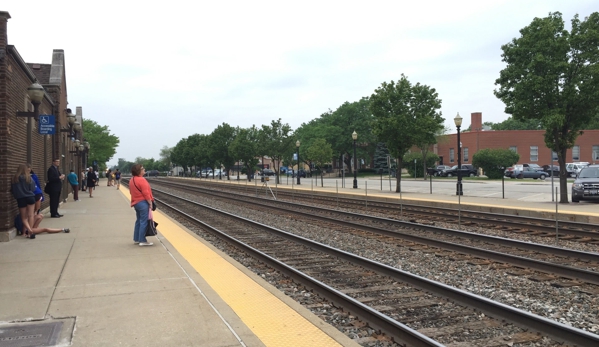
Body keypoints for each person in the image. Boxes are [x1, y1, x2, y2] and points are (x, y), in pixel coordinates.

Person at [129, 164, 155, 246]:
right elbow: (146, 193)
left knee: (139, 221)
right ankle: (142, 240)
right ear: (139, 171)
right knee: (144, 221)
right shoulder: (142, 180)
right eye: (142, 169)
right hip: (143, 203)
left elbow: (131, 192)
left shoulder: (132, 180)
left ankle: (136, 238)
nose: (144, 170)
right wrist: (150, 203)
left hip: (136, 203)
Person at [11, 164, 36, 237]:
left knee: (24, 218)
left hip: (21, 198)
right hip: (30, 197)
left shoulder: (15, 178)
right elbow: (32, 189)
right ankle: (30, 232)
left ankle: (28, 230)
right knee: (31, 215)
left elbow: (13, 190)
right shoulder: (29, 178)